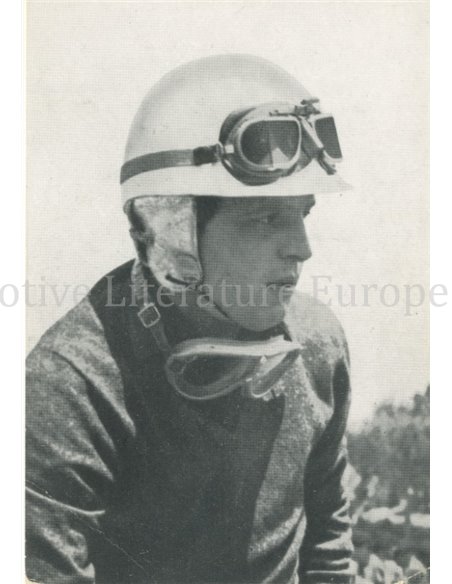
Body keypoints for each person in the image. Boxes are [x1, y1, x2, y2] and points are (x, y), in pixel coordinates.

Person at [26, 54, 355, 584]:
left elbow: (328, 550)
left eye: (303, 214)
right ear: (173, 229)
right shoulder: (69, 387)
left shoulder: (318, 344)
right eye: (267, 218)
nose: (301, 248)